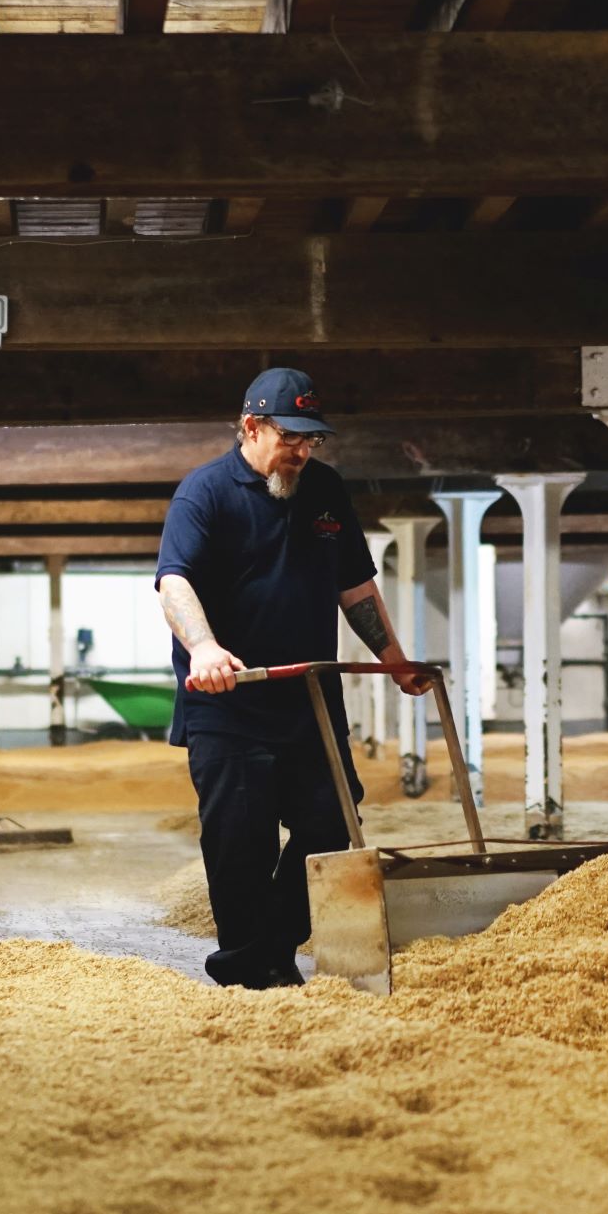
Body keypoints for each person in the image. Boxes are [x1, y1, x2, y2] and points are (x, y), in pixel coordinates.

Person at [156, 368, 431, 988]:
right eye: (292, 439)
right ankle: (258, 973)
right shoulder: (204, 493)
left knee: (333, 823)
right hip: (229, 704)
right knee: (241, 845)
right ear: (252, 427)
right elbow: (175, 581)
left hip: (310, 700)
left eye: (313, 441)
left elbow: (354, 585)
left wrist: (395, 661)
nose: (303, 452)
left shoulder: (325, 488)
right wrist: (203, 648)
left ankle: (264, 950)